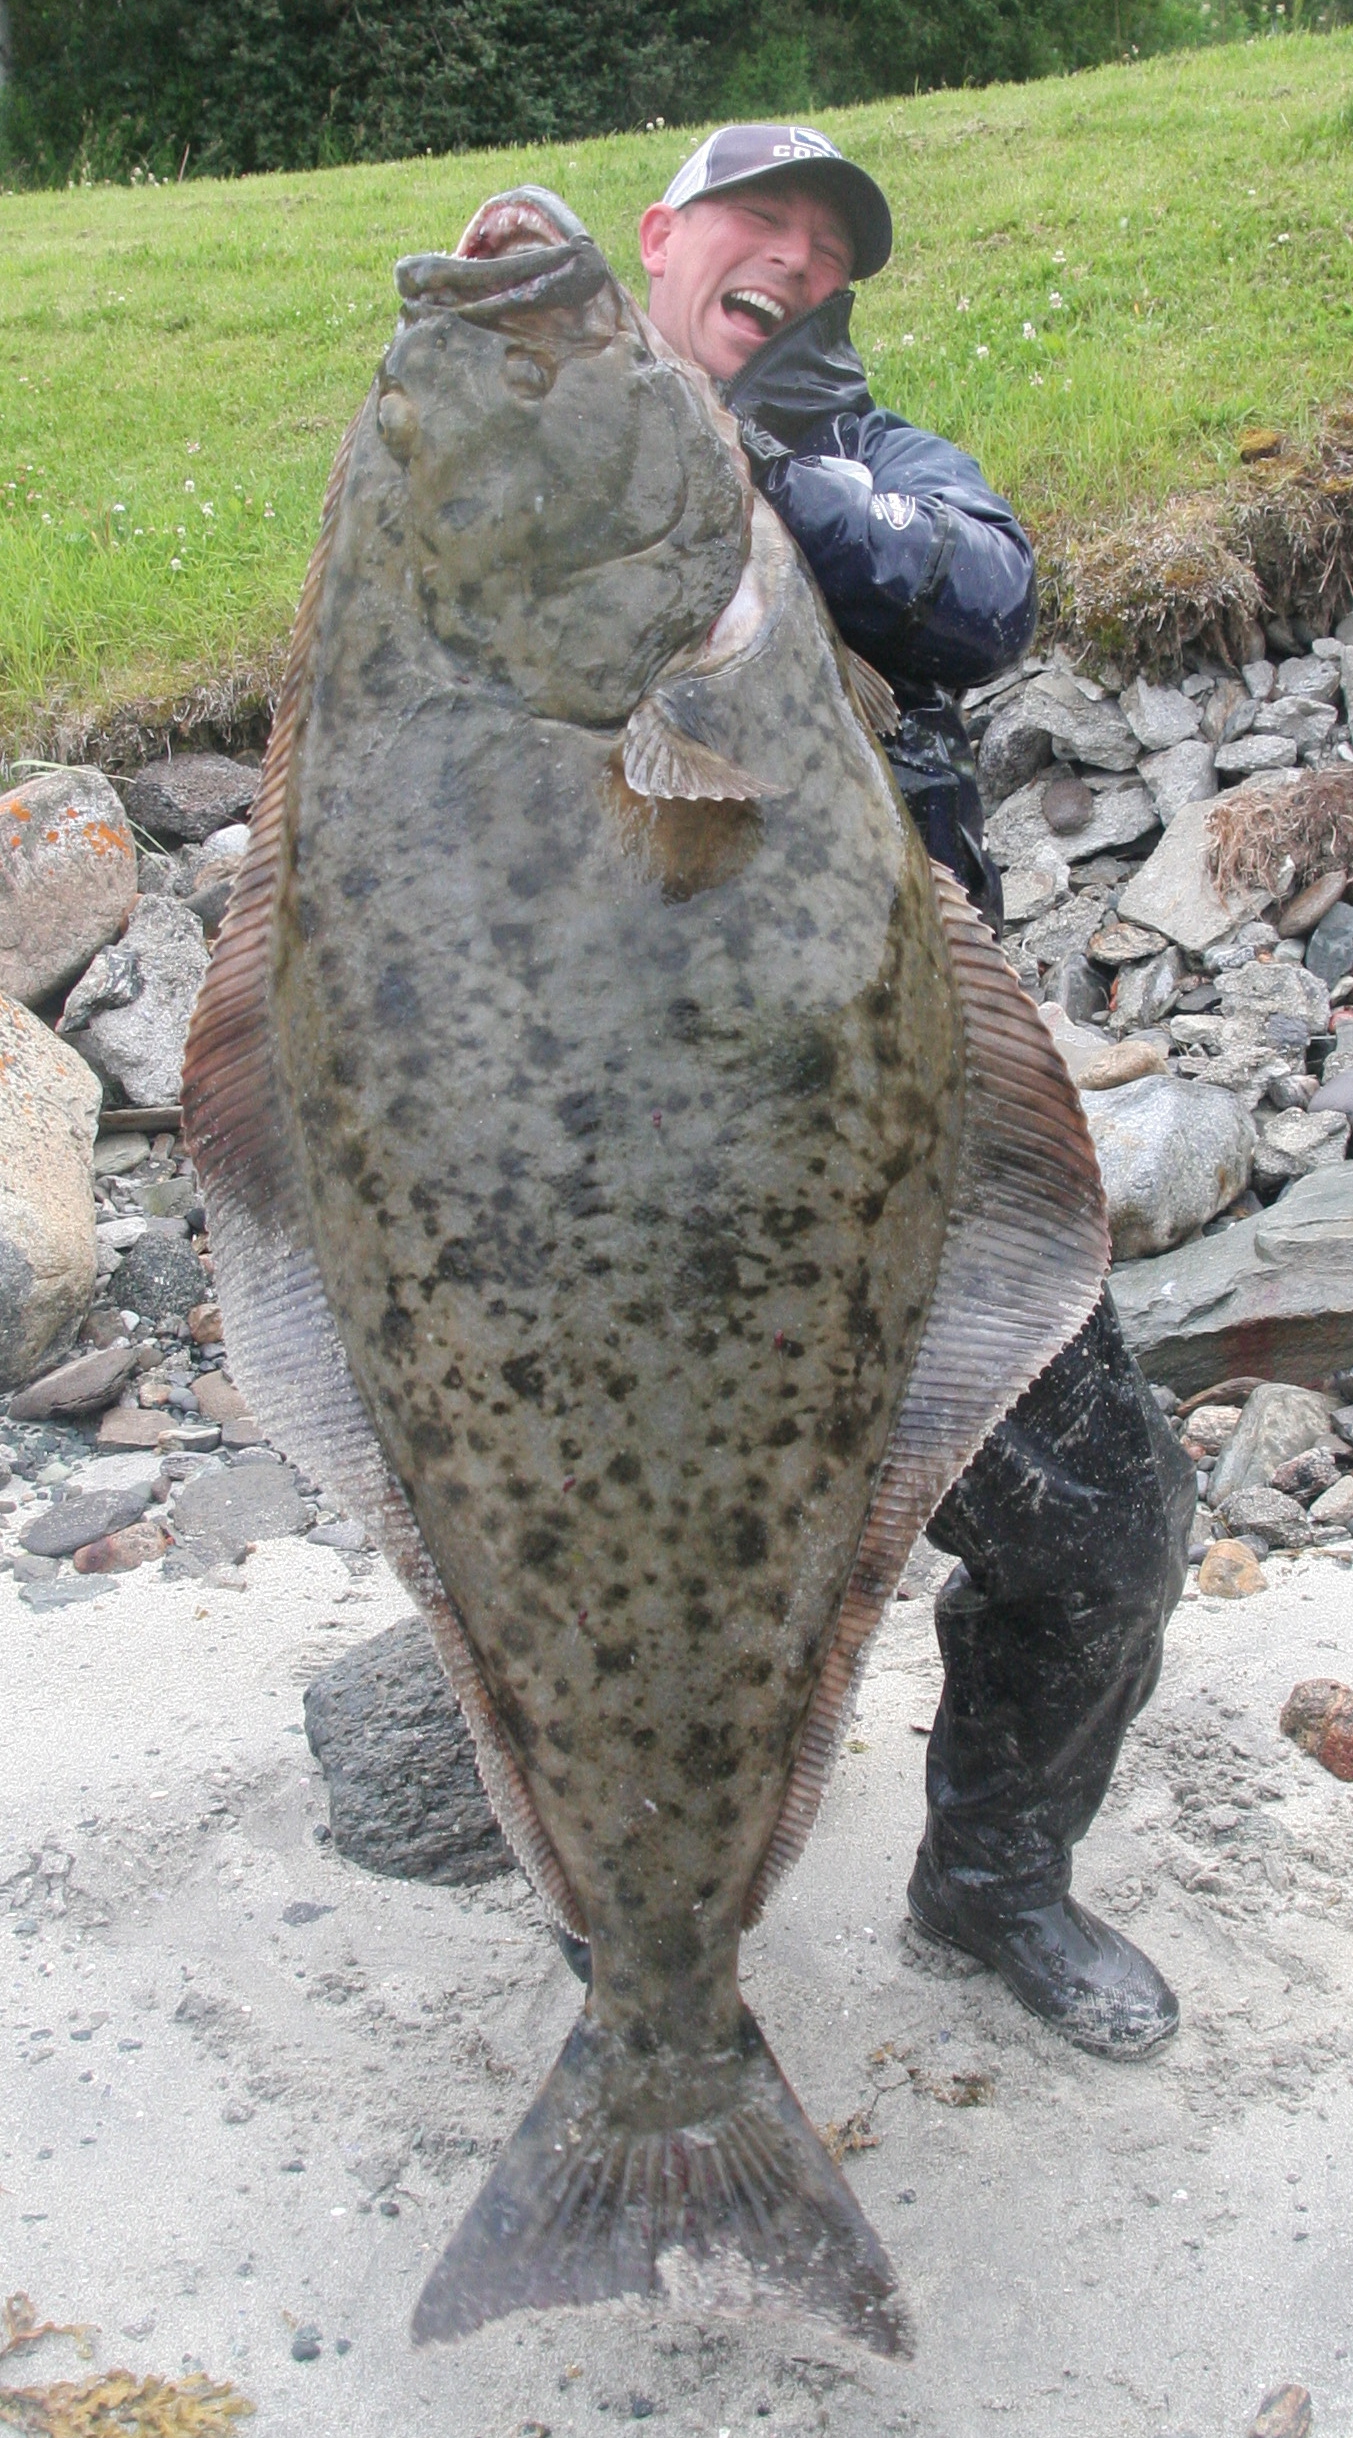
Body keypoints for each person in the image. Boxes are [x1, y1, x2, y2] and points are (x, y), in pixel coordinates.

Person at [636, 124, 1196, 2059]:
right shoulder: (517, 472)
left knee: (1109, 1523)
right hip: (615, 1154)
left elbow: (971, 610)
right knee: (629, 1574)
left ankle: (992, 1887)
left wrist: (773, 461)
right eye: (753, 220)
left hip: (904, 1121)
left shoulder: (876, 467)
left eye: (822, 244)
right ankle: (642, 1968)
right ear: (667, 239)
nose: (787, 255)